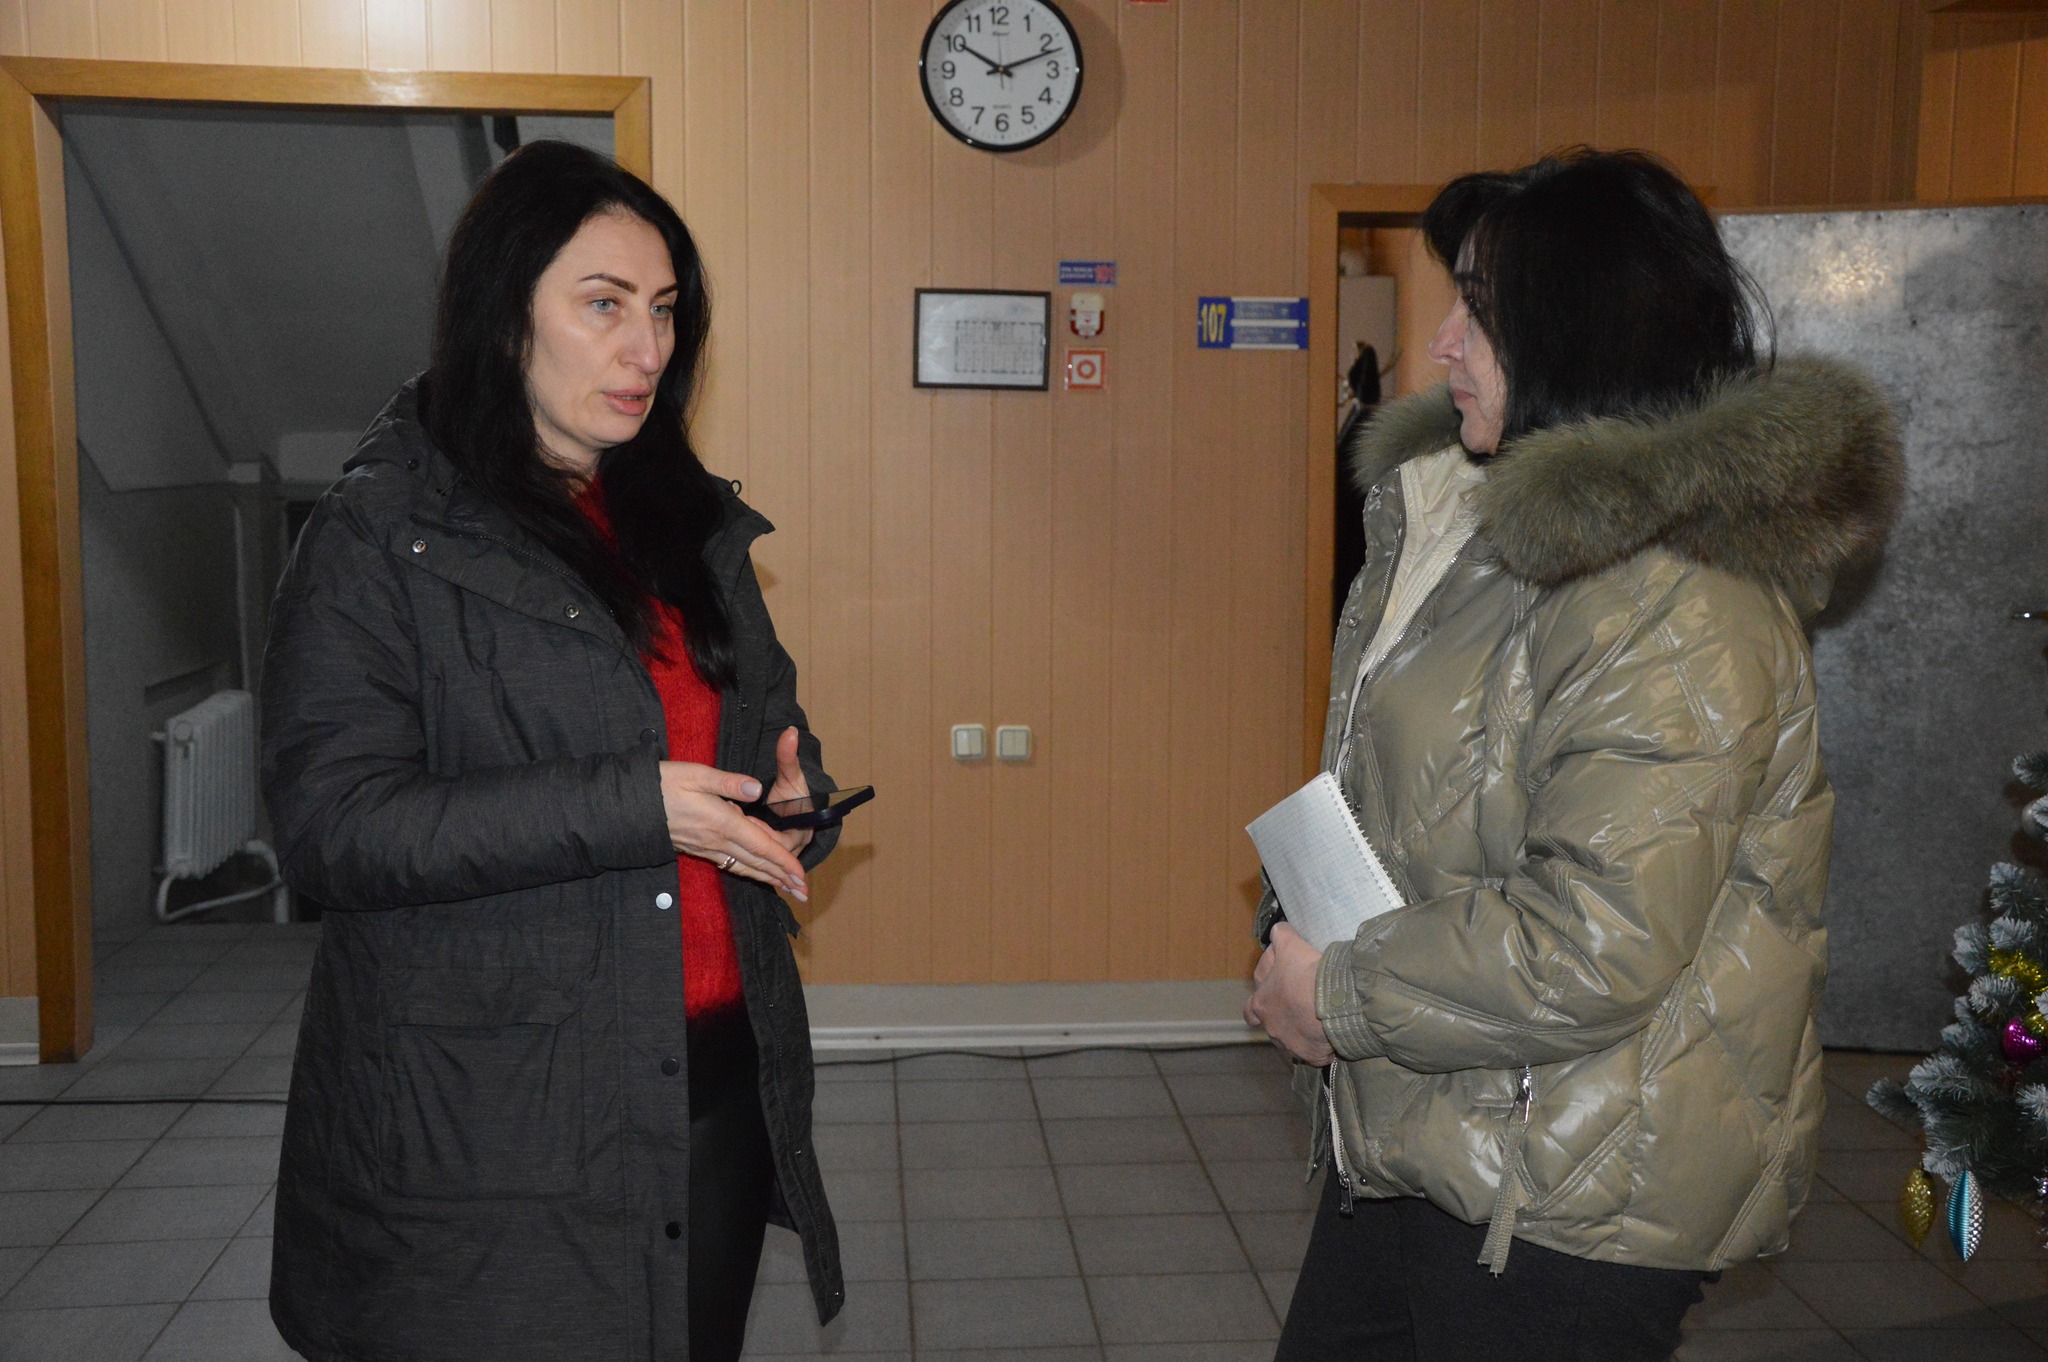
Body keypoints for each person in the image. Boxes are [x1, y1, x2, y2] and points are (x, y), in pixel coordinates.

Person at [1243, 148, 1904, 1360]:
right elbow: (1442, 798)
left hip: (1568, 1189)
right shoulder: (1488, 537)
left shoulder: (1670, 592)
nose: (1439, 343)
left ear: (1583, 331)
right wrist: (1307, 917)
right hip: (1439, 1122)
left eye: (1478, 310)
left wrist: (1336, 991)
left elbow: (1595, 936)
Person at [260, 141, 842, 1362]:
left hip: (708, 1075)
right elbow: (332, 828)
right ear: (501, 313)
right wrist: (636, 807)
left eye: (665, 310)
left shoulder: (684, 522)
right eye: (604, 305)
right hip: (493, 1111)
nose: (648, 350)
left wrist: (792, 801)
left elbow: (753, 731)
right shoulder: (381, 536)